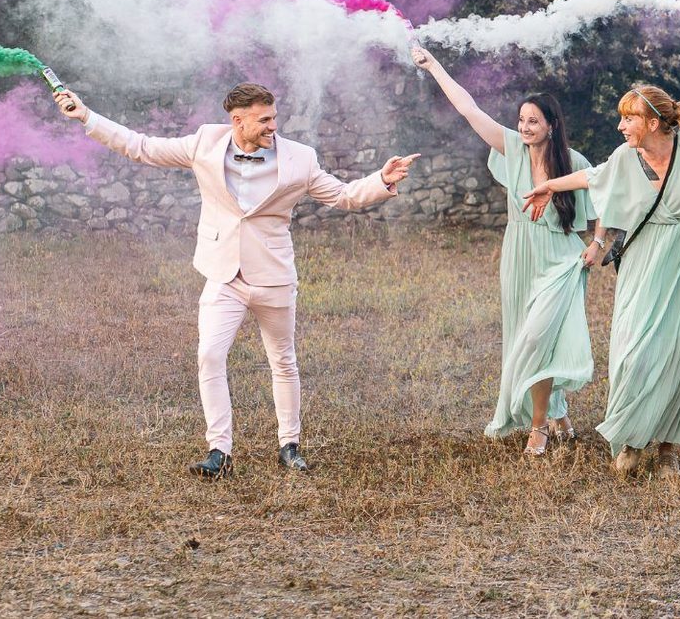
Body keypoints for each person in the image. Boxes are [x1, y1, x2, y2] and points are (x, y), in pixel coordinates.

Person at [53, 83, 417, 477]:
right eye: (264, 119)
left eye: (274, 117)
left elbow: (343, 195)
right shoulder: (205, 143)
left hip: (273, 276)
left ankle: (289, 445)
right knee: (209, 355)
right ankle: (219, 451)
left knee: (283, 361)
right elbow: (141, 146)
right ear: (237, 120)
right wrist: (87, 116)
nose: (272, 126)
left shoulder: (300, 158)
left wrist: (381, 180)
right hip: (223, 275)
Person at [523, 83, 680, 477]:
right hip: (641, 260)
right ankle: (630, 439)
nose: (621, 126)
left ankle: (668, 448)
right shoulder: (626, 156)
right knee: (631, 348)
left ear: (653, 122)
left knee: (677, 349)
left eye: (629, 118)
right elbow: (597, 177)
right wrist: (550, 186)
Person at [413, 46, 599, 457]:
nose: (525, 126)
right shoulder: (512, 148)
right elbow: (468, 109)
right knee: (525, 338)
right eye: (521, 120)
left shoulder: (575, 162)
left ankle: (539, 428)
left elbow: (607, 203)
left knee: (541, 338)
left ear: (552, 125)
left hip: (561, 260)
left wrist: (597, 246)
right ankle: (556, 411)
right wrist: (435, 66)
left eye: (534, 121)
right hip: (518, 255)